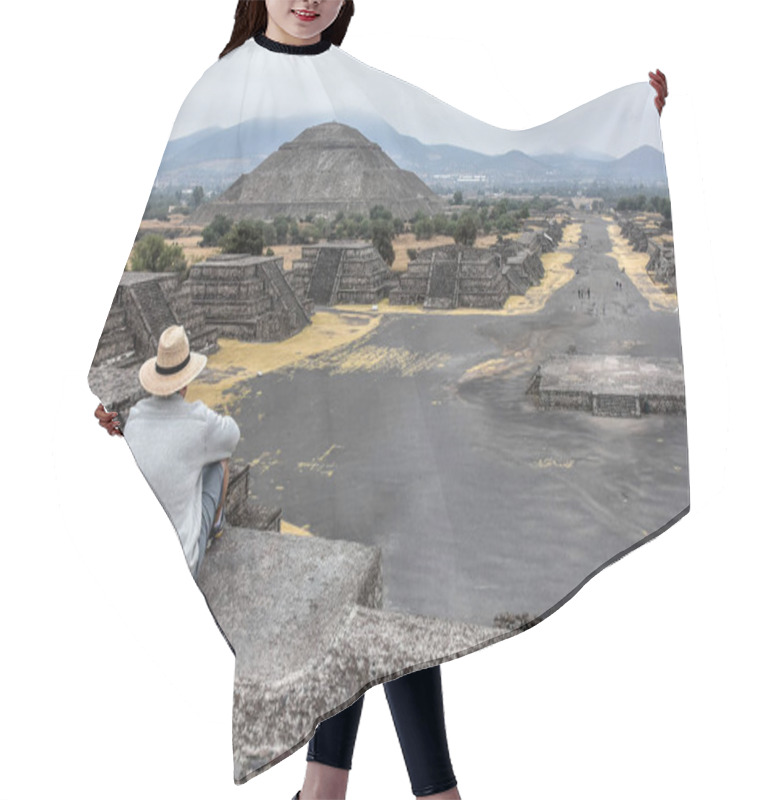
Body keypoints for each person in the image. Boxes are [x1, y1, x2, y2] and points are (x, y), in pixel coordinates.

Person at [94, 2, 670, 797]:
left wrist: (626, 117)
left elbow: (493, 138)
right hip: (256, 413)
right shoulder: (216, 89)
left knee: (379, 587)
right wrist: (129, 400)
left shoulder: (357, 85)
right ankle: (417, 790)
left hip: (371, 413)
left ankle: (332, 788)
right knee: (371, 596)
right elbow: (142, 289)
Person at [114, 325, 239, 579]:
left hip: (134, 562)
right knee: (218, 462)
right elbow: (232, 435)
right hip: (179, 569)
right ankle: (215, 526)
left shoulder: (135, 417)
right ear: (186, 382)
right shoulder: (198, 420)